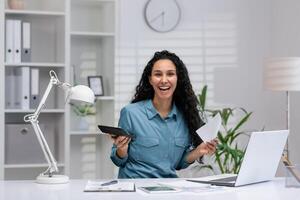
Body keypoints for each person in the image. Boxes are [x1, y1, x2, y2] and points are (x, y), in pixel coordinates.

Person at [110, 50, 217, 178]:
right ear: (150, 79)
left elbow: (179, 164)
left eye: (170, 74)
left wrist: (199, 151)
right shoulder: (131, 113)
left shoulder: (185, 116)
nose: (164, 80)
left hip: (167, 188)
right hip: (135, 187)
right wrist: (122, 149)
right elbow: (118, 160)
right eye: (158, 74)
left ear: (178, 78)